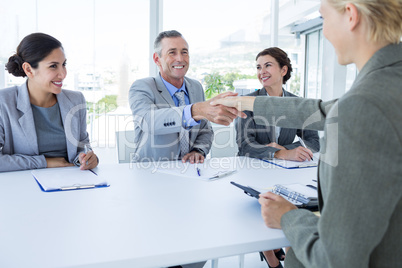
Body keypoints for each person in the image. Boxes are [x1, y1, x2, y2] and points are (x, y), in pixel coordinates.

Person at [211, 0, 402, 266]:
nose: (322, 32)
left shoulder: (367, 104)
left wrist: (288, 216)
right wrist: (244, 103)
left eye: (323, 19)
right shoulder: (389, 81)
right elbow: (324, 110)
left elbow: (334, 258)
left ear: (350, 15)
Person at [129, 30, 244, 163]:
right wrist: (195, 110)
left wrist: (198, 150)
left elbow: (205, 130)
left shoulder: (195, 86)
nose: (180, 58)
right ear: (157, 59)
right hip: (151, 172)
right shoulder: (142, 87)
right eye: (172, 52)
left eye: (184, 52)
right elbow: (148, 121)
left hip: (190, 171)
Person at [0, 32, 98, 173]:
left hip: (72, 182)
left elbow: (82, 146)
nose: (63, 74)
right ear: (28, 69)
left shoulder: (76, 100)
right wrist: (44, 162)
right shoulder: (4, 102)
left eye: (63, 64)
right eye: (53, 66)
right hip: (25, 184)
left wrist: (86, 158)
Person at [236, 47, 320, 163]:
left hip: (284, 167)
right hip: (252, 166)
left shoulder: (297, 104)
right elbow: (245, 145)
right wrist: (279, 153)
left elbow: (314, 142)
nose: (262, 72)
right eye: (258, 67)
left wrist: (286, 149)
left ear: (283, 70)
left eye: (268, 65)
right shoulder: (247, 102)